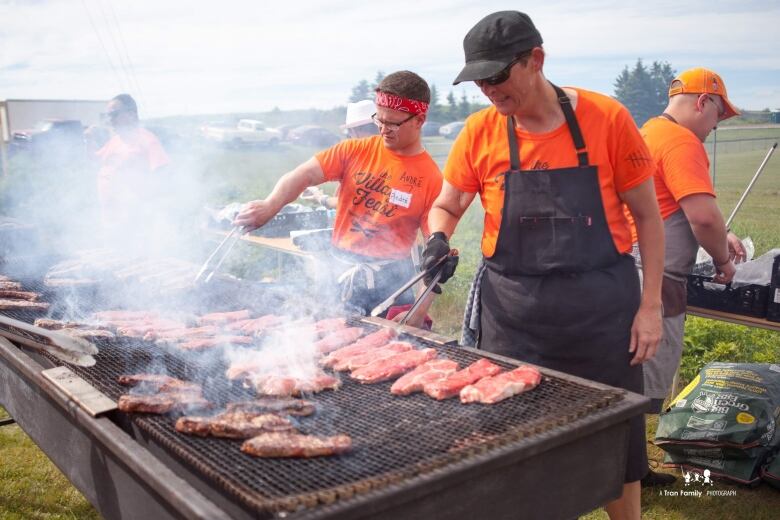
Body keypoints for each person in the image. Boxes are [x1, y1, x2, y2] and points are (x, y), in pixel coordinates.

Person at [424, 11, 664, 520]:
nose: (488, 89)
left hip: (600, 313)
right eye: (479, 80)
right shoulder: (480, 130)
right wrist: (438, 237)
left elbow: (648, 216)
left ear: (535, 59)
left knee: (615, 443)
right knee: (512, 441)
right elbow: (447, 204)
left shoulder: (607, 118)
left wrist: (650, 307)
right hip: (514, 315)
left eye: (496, 75)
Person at [234, 71, 443, 327]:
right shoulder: (355, 150)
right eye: (379, 119)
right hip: (339, 274)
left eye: (393, 124)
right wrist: (270, 205)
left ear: (419, 120)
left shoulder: (431, 178)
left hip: (390, 287)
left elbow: (435, 259)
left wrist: (419, 312)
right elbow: (304, 174)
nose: (383, 129)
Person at [627, 68, 746, 487]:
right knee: (642, 384)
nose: (715, 126)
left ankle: (633, 470)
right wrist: (723, 260)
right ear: (702, 102)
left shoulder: (648, 133)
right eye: (718, 115)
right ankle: (626, 476)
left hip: (627, 268)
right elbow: (700, 216)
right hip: (657, 279)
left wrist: (722, 230)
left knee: (628, 380)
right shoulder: (682, 141)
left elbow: (670, 202)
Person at [95, 94, 169, 244]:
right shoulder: (115, 140)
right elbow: (95, 161)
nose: (110, 119)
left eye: (114, 114)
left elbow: (163, 176)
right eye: (108, 115)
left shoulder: (147, 140)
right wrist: (87, 139)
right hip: (111, 220)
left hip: (134, 226)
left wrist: (141, 209)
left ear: (131, 115)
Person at [301, 100, 379, 209]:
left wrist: (319, 197)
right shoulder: (391, 152)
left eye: (349, 133)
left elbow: (347, 203)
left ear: (354, 131)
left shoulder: (366, 158)